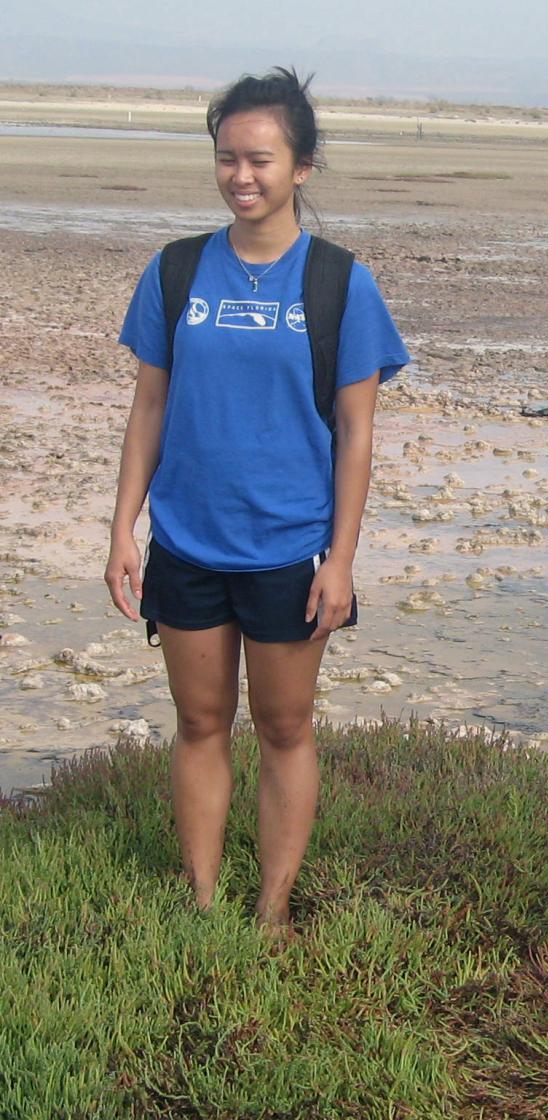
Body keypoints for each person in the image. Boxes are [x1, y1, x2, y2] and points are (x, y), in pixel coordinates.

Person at [106, 68, 409, 933]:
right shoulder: (174, 272)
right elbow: (151, 405)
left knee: (284, 728)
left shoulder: (340, 284)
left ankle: (271, 910)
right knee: (199, 721)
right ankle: (203, 903)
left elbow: (356, 433)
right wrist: (124, 526)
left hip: (289, 549)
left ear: (302, 166)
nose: (243, 176)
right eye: (227, 158)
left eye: (262, 159)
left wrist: (341, 559)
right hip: (188, 543)